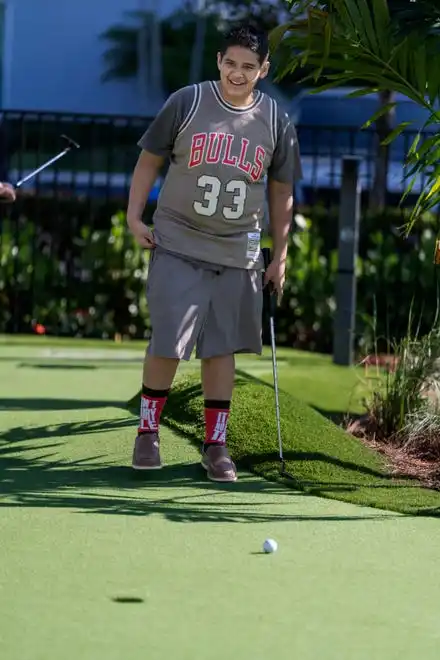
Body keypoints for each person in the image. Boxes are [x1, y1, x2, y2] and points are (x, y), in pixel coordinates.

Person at [126, 23, 302, 482]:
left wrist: (280, 255)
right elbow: (149, 160)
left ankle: (215, 445)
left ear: (263, 69)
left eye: (249, 66)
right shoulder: (187, 102)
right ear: (218, 61)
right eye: (230, 64)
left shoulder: (277, 122)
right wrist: (134, 217)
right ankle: (148, 433)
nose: (237, 74)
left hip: (236, 250)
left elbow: (282, 193)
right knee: (169, 338)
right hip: (178, 239)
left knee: (221, 348)